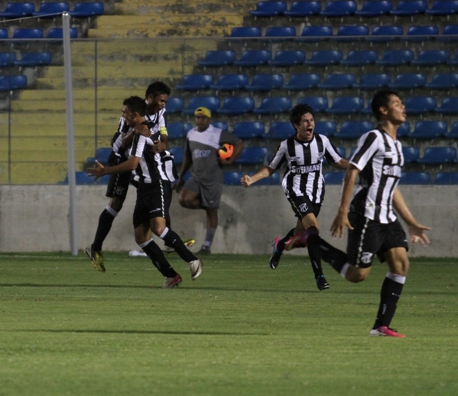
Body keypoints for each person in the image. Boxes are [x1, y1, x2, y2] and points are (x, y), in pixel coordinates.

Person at [296, 90, 430, 337]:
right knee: (358, 275)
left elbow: (392, 188)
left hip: (387, 216)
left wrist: (411, 222)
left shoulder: (397, 146)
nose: (403, 108)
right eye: (397, 104)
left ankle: (381, 326)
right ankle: (310, 240)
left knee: (401, 264)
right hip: (367, 213)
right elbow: (352, 171)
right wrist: (342, 211)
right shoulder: (373, 138)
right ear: (383, 110)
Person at [87, 96, 202, 288]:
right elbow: (119, 149)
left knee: (158, 228)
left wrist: (104, 171)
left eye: (125, 112)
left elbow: (132, 163)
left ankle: (192, 260)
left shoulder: (143, 131)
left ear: (134, 114)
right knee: (141, 236)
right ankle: (171, 275)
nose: (122, 115)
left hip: (155, 184)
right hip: (143, 187)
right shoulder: (136, 131)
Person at [240, 104, 350, 290]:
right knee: (313, 230)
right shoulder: (287, 146)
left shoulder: (322, 141)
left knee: (302, 234)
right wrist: (253, 179)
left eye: (312, 120)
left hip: (316, 192)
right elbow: (271, 168)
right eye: (305, 121)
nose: (310, 124)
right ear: (296, 125)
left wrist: (358, 165)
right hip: (295, 189)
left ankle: (280, 246)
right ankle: (320, 277)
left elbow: (338, 161)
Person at [175, 107, 244, 254]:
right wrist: (181, 178)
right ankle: (207, 205)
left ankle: (207, 246)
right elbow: (188, 157)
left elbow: (239, 143)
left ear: (209, 119)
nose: (200, 120)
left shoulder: (217, 133)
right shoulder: (191, 134)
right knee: (184, 200)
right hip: (196, 177)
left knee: (212, 213)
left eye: (203, 118)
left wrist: (231, 159)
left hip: (213, 179)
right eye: (197, 117)